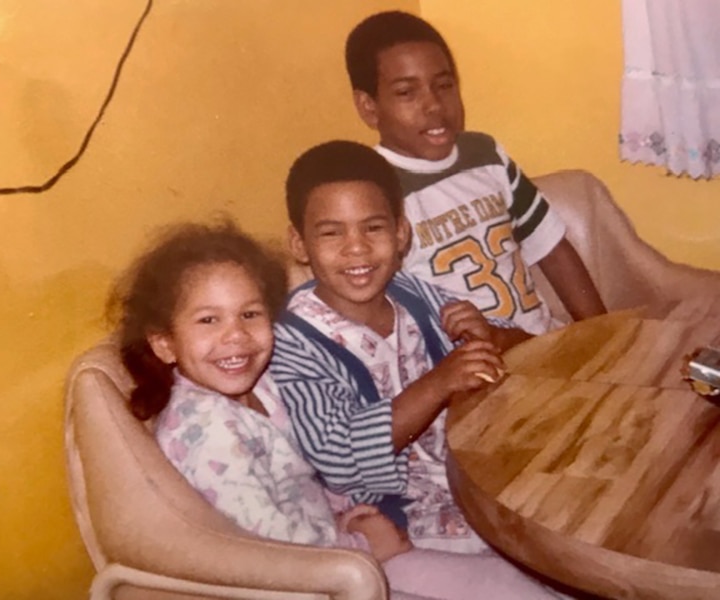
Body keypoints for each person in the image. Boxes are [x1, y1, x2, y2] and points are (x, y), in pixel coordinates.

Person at [110, 220, 559, 600]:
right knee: (507, 586)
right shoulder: (208, 429)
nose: (236, 337)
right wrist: (361, 542)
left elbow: (301, 474)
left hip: (341, 543)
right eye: (209, 320)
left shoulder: (260, 385)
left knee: (510, 575)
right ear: (164, 343)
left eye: (249, 314)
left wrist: (348, 514)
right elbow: (271, 548)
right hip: (318, 579)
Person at [271, 140, 532, 557]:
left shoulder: (408, 291)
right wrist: (441, 381)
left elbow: (529, 346)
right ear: (299, 243)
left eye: (372, 228)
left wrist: (492, 336)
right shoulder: (290, 340)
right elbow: (337, 456)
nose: (356, 247)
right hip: (406, 525)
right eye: (331, 232)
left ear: (400, 233)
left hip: (481, 479)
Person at [344, 11, 606, 335]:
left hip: (543, 343)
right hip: (472, 369)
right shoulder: (372, 192)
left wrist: (604, 331)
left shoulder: (485, 155)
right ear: (369, 107)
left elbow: (551, 248)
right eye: (406, 93)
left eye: (444, 85)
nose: (434, 105)